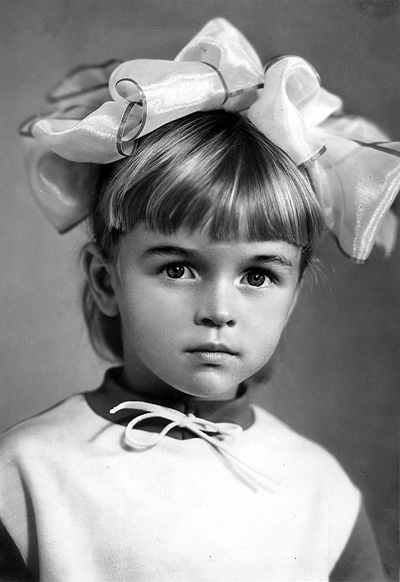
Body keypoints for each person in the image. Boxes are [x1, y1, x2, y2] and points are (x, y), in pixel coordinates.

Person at [1, 18, 398, 582]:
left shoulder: (320, 491)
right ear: (106, 281)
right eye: (178, 268)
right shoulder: (24, 475)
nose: (219, 310)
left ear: (292, 296)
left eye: (257, 275)